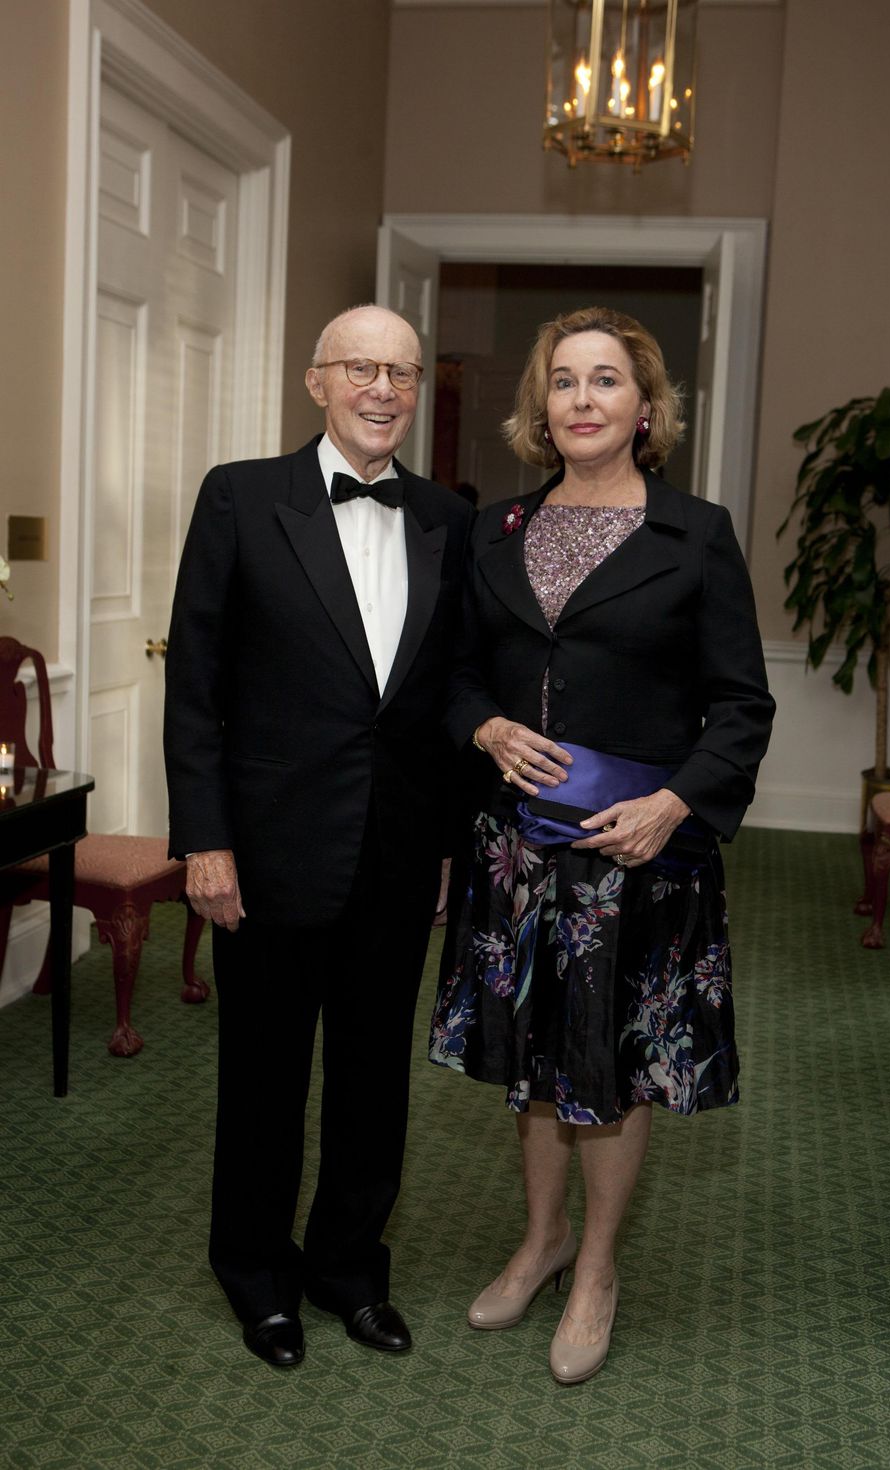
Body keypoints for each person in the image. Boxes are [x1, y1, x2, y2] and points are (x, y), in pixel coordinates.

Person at [430, 306, 774, 1385]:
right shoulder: (491, 531)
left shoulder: (695, 534)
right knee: (535, 1067)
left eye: (605, 381)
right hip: (516, 855)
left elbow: (741, 706)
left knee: (611, 1068)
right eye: (563, 381)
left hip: (637, 854)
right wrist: (481, 727)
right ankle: (540, 1243)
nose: (582, 399)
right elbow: (453, 675)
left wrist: (675, 803)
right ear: (541, 407)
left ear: (644, 406)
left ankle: (598, 1272)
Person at [164, 305, 473, 1369]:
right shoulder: (242, 496)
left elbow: (444, 702)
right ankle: (256, 1274)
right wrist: (203, 841)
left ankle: (347, 1267)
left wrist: (442, 844)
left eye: (400, 371)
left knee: (372, 1079)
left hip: (395, 852)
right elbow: (195, 687)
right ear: (315, 382)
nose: (381, 389)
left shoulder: (448, 516)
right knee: (261, 1079)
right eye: (359, 368)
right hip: (266, 850)